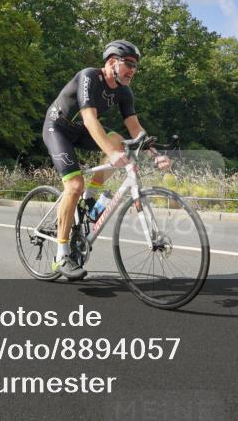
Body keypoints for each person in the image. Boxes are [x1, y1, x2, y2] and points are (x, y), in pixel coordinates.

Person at [42, 40, 170, 279]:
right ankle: (61, 255)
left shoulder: (124, 91)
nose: (133, 70)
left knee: (119, 141)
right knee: (74, 185)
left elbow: (134, 127)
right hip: (57, 128)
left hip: (80, 132)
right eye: (129, 64)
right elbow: (90, 119)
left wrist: (155, 154)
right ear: (112, 62)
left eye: (135, 66)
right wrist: (111, 155)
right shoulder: (89, 77)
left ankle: (90, 198)